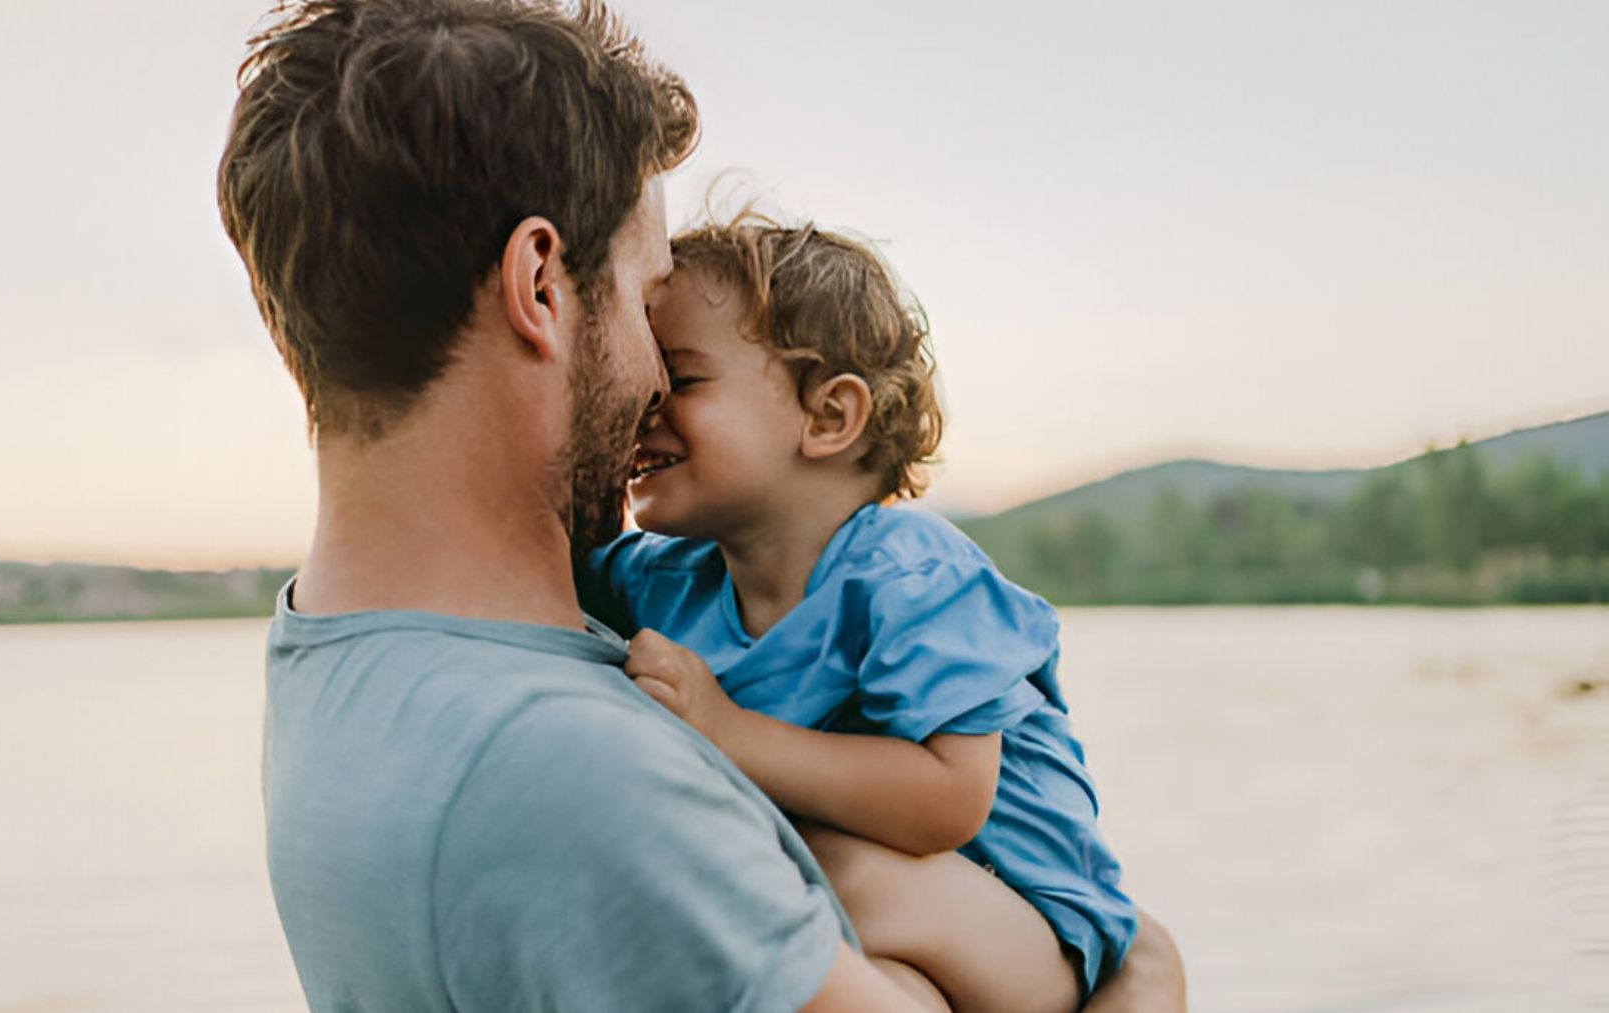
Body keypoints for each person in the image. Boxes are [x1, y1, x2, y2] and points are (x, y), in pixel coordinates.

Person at [218, 0, 1186, 1009]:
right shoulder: (584, 774)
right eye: (646, 298)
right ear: (540, 286)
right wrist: (1152, 977)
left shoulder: (337, 656)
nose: (651, 387)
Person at [579, 216, 1137, 1012]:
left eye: (683, 378)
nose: (645, 403)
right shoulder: (665, 582)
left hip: (1035, 931)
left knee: (812, 871)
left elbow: (951, 799)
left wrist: (730, 732)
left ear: (830, 416)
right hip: (888, 939)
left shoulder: (912, 574)